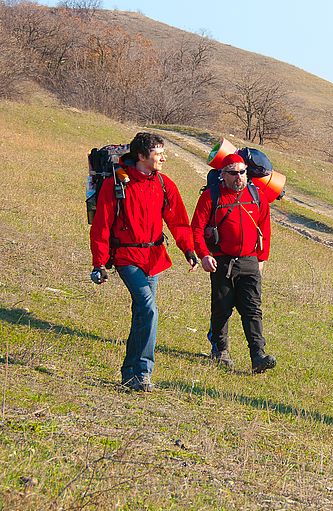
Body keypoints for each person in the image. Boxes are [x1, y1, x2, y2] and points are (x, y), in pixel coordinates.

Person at [90, 132, 198, 392]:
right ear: (141, 156)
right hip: (127, 258)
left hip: (154, 258)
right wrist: (99, 263)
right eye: (158, 153)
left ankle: (131, 373)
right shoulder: (117, 185)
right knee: (149, 310)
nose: (164, 158)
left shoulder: (164, 184)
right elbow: (102, 226)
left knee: (143, 314)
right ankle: (143, 372)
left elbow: (179, 221)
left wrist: (189, 250)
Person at [191, 153, 276, 374]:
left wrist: (261, 258)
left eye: (242, 172)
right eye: (233, 173)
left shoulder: (258, 195)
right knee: (222, 308)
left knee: (252, 310)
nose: (238, 177)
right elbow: (197, 229)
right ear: (223, 175)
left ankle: (258, 355)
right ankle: (220, 351)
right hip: (221, 261)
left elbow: (264, 229)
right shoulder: (211, 197)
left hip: (250, 261)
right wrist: (204, 255)